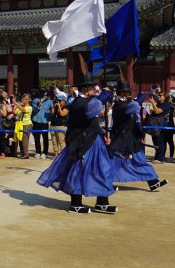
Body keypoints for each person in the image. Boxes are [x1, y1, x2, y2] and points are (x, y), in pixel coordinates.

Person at [37, 66, 116, 214]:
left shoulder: (87, 101)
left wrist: (103, 134)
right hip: (83, 143)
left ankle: (102, 202)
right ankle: (75, 203)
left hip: (95, 141)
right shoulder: (79, 103)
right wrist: (105, 94)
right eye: (93, 87)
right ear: (86, 89)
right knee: (79, 171)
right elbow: (95, 107)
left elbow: (94, 121)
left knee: (103, 170)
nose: (96, 89)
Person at [108, 77, 168, 191]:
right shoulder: (119, 106)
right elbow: (134, 107)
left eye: (129, 92)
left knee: (140, 161)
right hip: (120, 138)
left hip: (133, 138)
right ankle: (107, 182)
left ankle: (153, 182)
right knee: (114, 162)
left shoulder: (128, 104)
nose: (129, 94)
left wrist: (141, 135)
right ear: (122, 93)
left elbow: (135, 122)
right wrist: (140, 98)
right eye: (127, 92)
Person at [31, 90, 53, 159]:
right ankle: (38, 152)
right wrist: (38, 105)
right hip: (36, 121)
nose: (41, 94)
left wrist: (49, 118)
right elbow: (33, 110)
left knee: (45, 138)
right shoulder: (35, 100)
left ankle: (45, 152)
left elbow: (52, 110)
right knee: (36, 138)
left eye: (42, 93)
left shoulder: (49, 101)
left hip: (44, 122)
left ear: (45, 93)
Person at [49, 93, 68, 158]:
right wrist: (54, 106)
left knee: (61, 141)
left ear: (64, 101)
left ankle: (63, 156)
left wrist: (59, 106)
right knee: (54, 141)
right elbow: (52, 113)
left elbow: (62, 114)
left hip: (61, 126)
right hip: (53, 125)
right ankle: (56, 155)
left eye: (60, 101)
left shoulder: (67, 107)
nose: (59, 102)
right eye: (58, 100)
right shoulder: (56, 106)